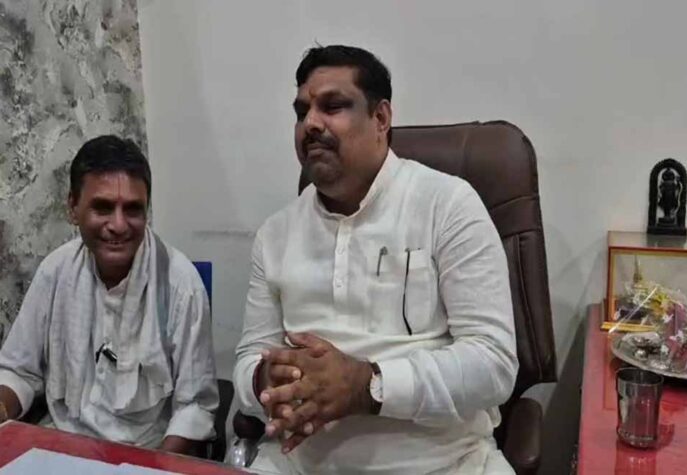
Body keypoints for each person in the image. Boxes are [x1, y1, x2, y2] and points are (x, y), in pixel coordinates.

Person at [234, 45, 518, 474]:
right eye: (302, 112)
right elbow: (247, 362)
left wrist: (368, 385)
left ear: (381, 118)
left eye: (332, 106)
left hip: (443, 464)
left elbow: (493, 364)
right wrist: (265, 379)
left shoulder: (447, 205)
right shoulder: (276, 234)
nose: (311, 123)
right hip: (303, 466)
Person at [0, 136, 218, 455]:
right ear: (73, 207)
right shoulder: (55, 272)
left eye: (132, 209)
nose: (118, 225)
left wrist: (155, 468)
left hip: (144, 452)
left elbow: (194, 408)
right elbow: (19, 371)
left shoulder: (181, 285)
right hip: (60, 444)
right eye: (102, 207)